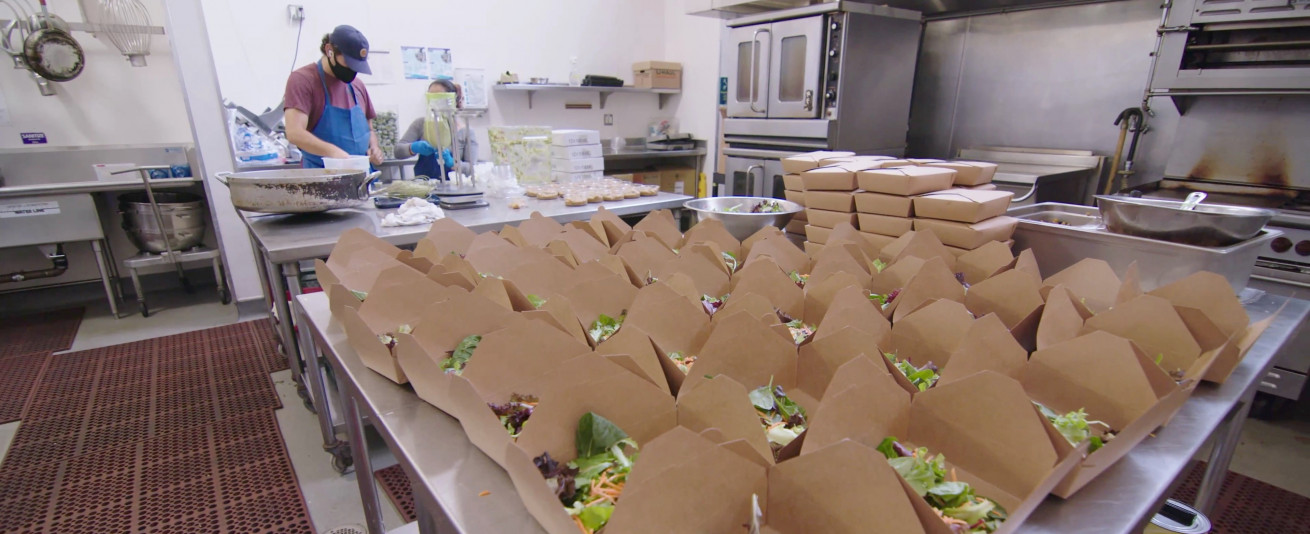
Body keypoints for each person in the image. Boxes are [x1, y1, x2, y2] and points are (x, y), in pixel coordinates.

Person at [283, 25, 384, 169]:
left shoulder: (358, 86)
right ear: (329, 50)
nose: (352, 71)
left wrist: (374, 147)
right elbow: (295, 133)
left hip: (361, 179)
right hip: (322, 179)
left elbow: (369, 130)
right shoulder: (303, 80)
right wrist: (333, 152)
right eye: (348, 63)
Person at [395, 79, 479, 179]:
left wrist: (453, 163)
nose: (434, 103)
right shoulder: (420, 124)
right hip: (425, 188)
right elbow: (398, 151)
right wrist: (413, 148)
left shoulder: (466, 132)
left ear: (452, 100)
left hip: (455, 189)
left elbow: (472, 169)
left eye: (439, 98)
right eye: (431, 98)